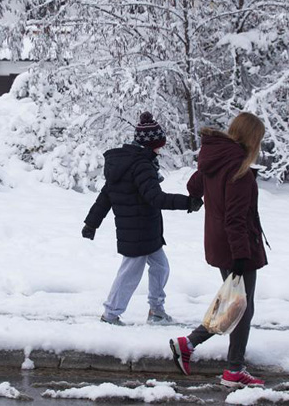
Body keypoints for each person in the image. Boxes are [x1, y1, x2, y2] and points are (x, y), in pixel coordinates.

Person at [169, 112, 268, 388]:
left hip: (219, 243)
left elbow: (193, 187)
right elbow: (235, 219)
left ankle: (189, 344)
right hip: (236, 248)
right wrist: (241, 256)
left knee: (234, 303)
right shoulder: (239, 170)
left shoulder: (216, 158)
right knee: (241, 308)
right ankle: (232, 369)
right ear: (252, 138)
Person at [82, 112, 204, 325]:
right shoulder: (140, 165)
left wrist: (91, 223)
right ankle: (110, 314)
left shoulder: (129, 163)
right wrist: (187, 202)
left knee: (161, 267)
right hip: (137, 232)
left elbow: (105, 196)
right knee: (130, 274)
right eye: (159, 145)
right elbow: (155, 198)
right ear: (152, 145)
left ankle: (156, 310)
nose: (160, 149)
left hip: (146, 231)